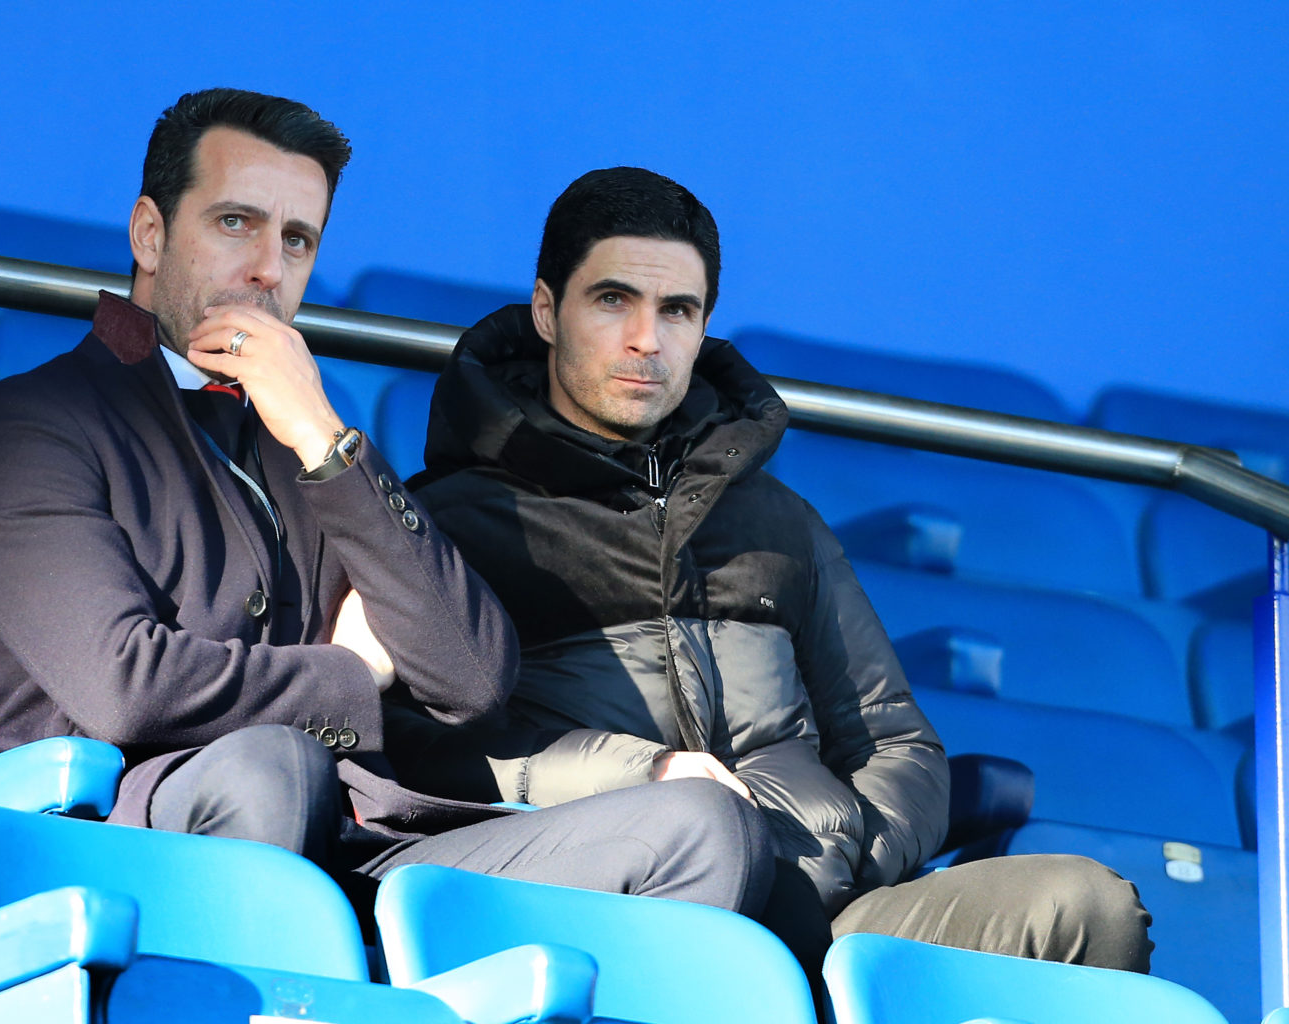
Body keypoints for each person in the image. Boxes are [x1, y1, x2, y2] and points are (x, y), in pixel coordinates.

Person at [0, 90, 786, 925]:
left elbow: (471, 678)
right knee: (270, 767)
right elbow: (127, 690)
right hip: (123, 848)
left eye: (297, 240)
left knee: (705, 828)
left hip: (353, 844)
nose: (269, 267)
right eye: (237, 222)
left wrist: (320, 435)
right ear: (150, 234)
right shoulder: (23, 426)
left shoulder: (309, 435)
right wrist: (355, 674)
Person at [397, 166, 1153, 975]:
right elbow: (429, 752)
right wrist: (647, 780)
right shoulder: (455, 519)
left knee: (1089, 909)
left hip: (823, 909)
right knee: (706, 852)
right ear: (548, 310)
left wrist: (839, 859)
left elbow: (897, 743)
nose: (646, 340)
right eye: (613, 300)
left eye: (677, 311)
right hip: (614, 902)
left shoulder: (777, 521)